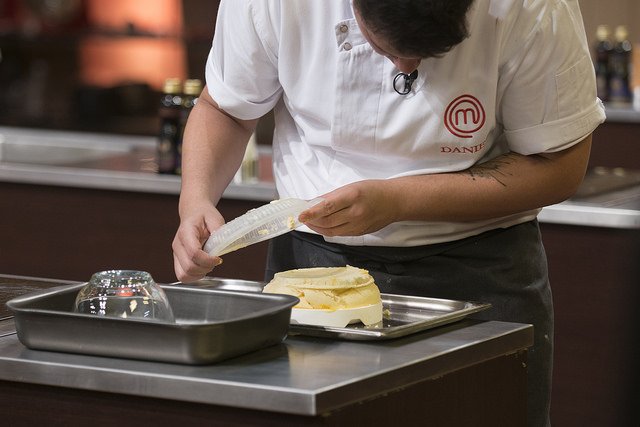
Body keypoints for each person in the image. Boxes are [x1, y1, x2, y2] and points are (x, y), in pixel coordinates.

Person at [171, 1, 606, 425]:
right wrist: (196, 199)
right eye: (388, 48)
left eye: (429, 55)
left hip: (483, 269)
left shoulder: (533, 7)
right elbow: (225, 108)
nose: (405, 66)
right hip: (311, 268)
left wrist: (401, 201)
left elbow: (560, 165)